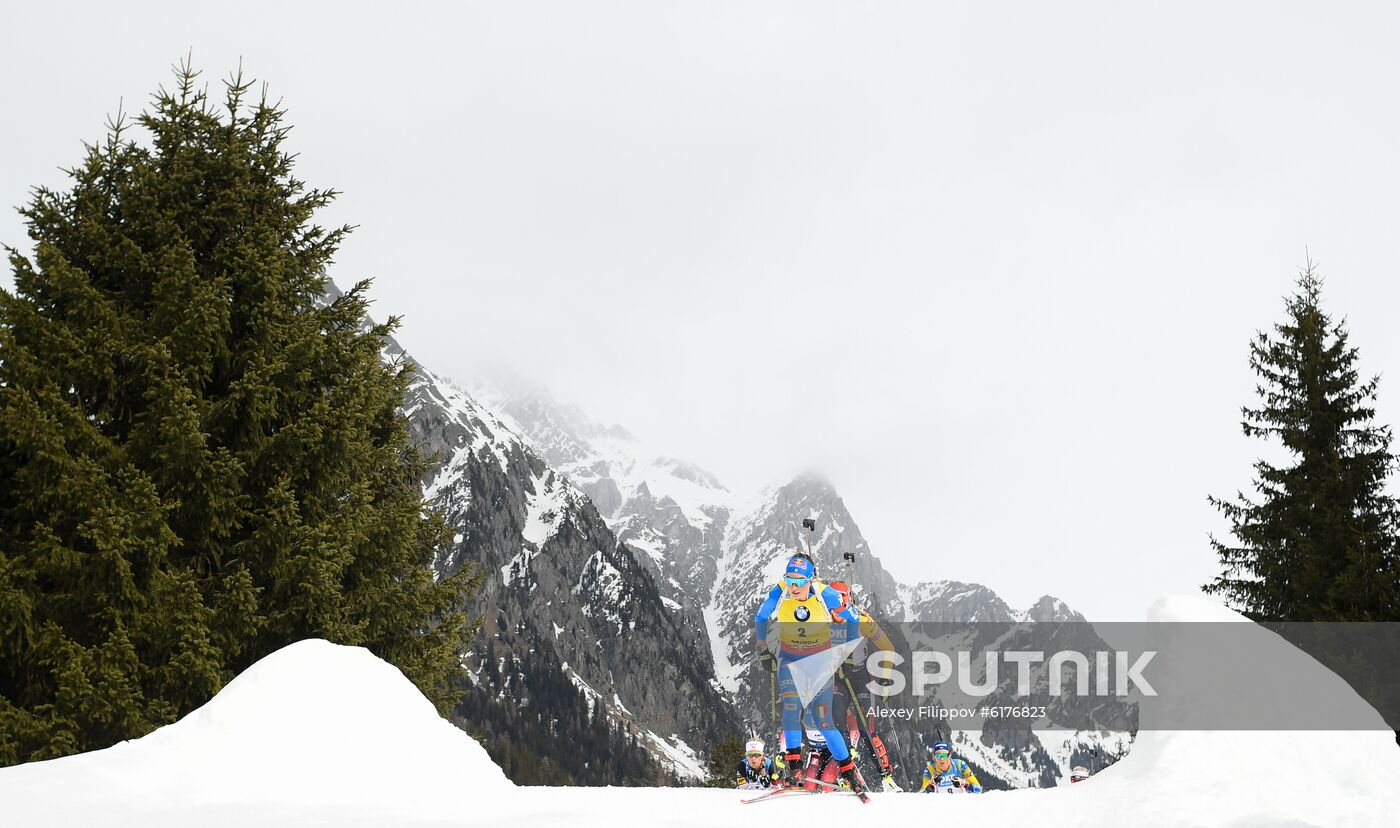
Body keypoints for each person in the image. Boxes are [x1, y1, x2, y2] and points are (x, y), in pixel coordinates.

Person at [753, 553, 866, 795]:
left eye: (799, 580)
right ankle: (794, 769)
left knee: (824, 721)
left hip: (819, 664)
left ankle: (848, 770)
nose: (794, 586)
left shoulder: (826, 594)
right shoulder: (779, 592)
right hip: (790, 661)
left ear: (810, 579)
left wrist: (847, 652)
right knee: (791, 711)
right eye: (789, 579)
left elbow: (853, 617)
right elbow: (761, 616)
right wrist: (763, 650)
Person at [826, 581, 901, 791]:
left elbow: (888, 646)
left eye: (844, 604)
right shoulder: (822, 621)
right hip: (837, 679)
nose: (838, 611)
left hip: (861, 678)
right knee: (836, 722)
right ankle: (845, 771)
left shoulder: (862, 621)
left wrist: (885, 676)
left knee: (867, 728)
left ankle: (886, 778)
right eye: (834, 606)